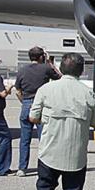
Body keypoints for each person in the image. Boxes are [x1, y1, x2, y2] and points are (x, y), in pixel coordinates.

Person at [28, 53, 95, 190]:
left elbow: (33, 118)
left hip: (49, 149)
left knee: (44, 184)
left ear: (61, 67)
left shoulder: (46, 89)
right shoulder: (88, 93)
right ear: (82, 70)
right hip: (76, 153)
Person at [13, 46, 61, 175]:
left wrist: (25, 102)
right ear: (41, 57)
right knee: (43, 138)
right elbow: (60, 77)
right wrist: (51, 64)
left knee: (24, 140)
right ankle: (44, 167)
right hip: (42, 105)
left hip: (27, 104)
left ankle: (22, 168)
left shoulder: (22, 70)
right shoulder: (45, 68)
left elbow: (17, 91)